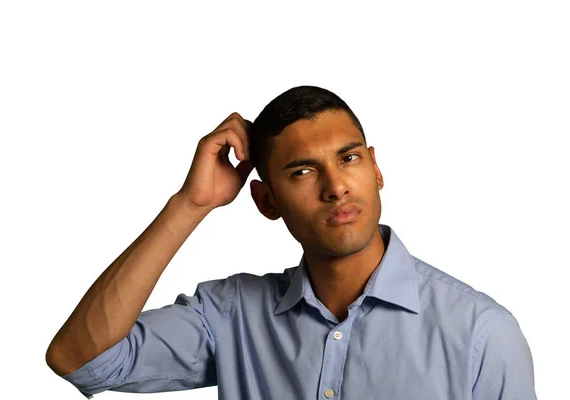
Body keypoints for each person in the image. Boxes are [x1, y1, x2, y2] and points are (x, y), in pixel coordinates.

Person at [46, 86, 537, 399]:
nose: (336, 186)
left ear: (376, 169)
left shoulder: (481, 334)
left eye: (348, 159)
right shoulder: (232, 314)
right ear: (266, 200)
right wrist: (190, 205)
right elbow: (81, 359)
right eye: (302, 171)